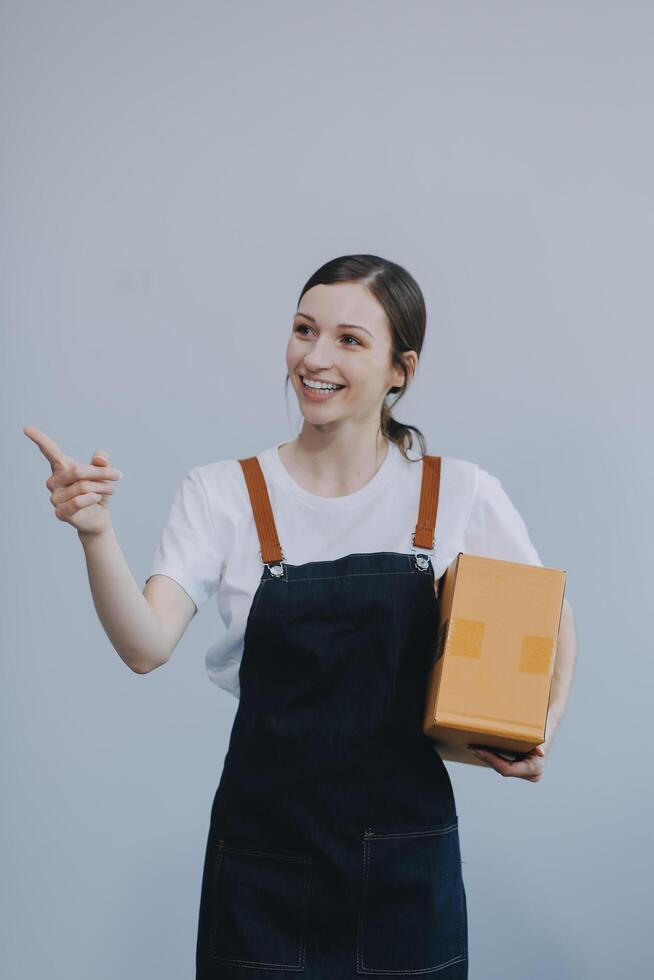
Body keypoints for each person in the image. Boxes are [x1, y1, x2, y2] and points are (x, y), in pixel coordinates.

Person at [24, 253, 576, 979]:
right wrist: (96, 534)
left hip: (407, 867)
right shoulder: (222, 493)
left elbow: (547, 615)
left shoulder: (458, 494)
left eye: (350, 339)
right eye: (303, 329)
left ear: (400, 369)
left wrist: (537, 729)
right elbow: (145, 645)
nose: (314, 357)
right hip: (262, 870)